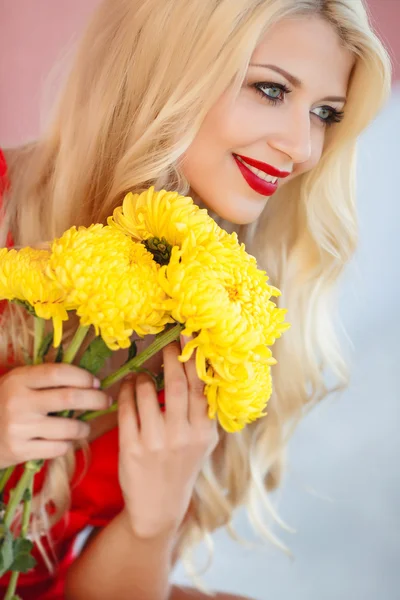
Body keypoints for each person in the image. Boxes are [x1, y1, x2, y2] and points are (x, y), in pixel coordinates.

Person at [0, 0, 391, 599]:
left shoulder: (222, 310)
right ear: (168, 69)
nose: (304, 148)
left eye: (324, 113)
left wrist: (152, 522)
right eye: (269, 89)